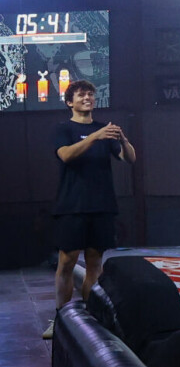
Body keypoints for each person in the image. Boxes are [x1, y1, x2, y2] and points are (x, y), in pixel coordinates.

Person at [45, 79, 136, 339]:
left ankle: (92, 320)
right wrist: (96, 136)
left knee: (95, 262)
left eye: (90, 94)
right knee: (67, 261)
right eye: (81, 94)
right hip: (72, 205)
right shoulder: (63, 129)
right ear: (70, 102)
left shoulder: (105, 130)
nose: (87, 97)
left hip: (102, 204)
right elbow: (66, 155)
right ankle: (61, 319)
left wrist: (124, 139)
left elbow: (128, 158)